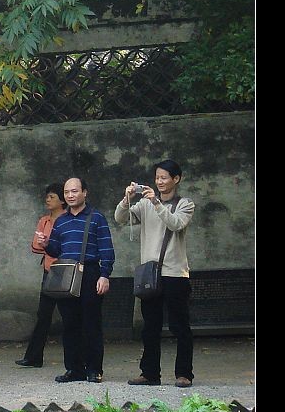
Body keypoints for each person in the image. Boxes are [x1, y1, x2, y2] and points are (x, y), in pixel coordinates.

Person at [114, 159, 197, 388]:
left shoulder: (185, 204)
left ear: (176, 179)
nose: (160, 181)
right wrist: (127, 199)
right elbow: (120, 218)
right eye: (157, 177)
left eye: (164, 177)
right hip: (150, 274)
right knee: (150, 327)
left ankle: (184, 374)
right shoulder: (145, 204)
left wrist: (157, 203)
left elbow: (176, 224)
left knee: (180, 327)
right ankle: (149, 373)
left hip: (175, 274)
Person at [41, 177, 115, 384]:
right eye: (67, 192)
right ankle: (74, 369)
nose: (70, 196)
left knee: (91, 324)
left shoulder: (97, 217)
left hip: (90, 273)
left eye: (74, 191)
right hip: (66, 275)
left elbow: (106, 249)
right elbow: (56, 250)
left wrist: (104, 275)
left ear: (85, 192)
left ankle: (94, 370)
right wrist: (46, 243)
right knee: (70, 324)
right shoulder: (61, 221)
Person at [17, 182, 67, 368]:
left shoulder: (67, 219)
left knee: (69, 315)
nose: (48, 199)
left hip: (65, 271)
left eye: (52, 196)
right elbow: (36, 246)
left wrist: (49, 245)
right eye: (47, 196)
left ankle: (78, 357)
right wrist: (45, 244)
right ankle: (33, 356)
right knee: (43, 315)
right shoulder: (44, 220)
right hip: (49, 271)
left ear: (62, 200)